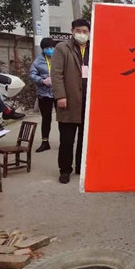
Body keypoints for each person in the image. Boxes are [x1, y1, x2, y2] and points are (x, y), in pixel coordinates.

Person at [51, 19, 91, 184]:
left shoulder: (93, 48)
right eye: (78, 31)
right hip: (68, 99)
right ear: (72, 31)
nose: (82, 34)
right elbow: (56, 73)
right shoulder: (62, 48)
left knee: (84, 137)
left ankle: (81, 166)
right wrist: (60, 95)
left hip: (87, 100)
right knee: (67, 139)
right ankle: (65, 170)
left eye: (85, 31)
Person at [29, 37, 56, 153]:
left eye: (51, 47)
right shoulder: (38, 61)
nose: (50, 49)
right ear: (43, 49)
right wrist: (42, 80)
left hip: (59, 92)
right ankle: (45, 142)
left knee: (63, 118)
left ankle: (65, 141)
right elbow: (32, 75)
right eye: (47, 48)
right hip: (44, 93)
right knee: (46, 118)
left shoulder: (59, 58)